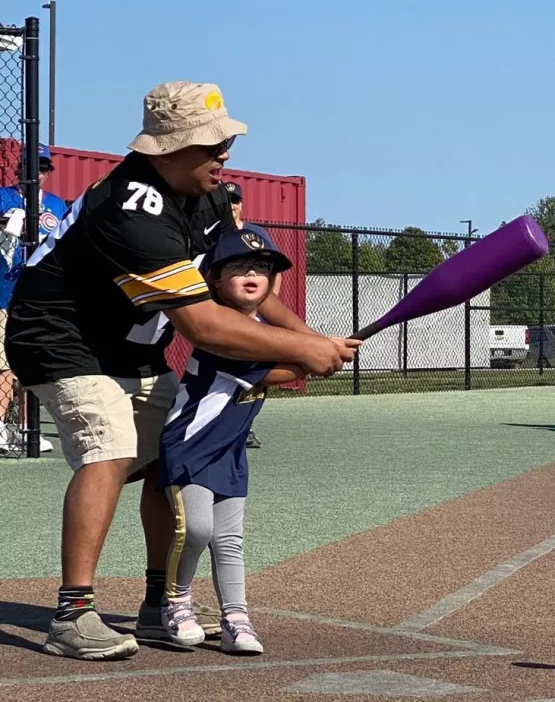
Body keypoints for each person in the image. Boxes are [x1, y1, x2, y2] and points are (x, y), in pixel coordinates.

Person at [6, 80, 358, 661]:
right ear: (165, 149)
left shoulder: (211, 197)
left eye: (225, 142)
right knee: (110, 449)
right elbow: (204, 325)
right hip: (60, 337)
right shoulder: (131, 208)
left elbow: (244, 285)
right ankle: (72, 616)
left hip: (131, 344)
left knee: (158, 464)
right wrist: (298, 355)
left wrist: (310, 338)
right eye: (210, 144)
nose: (224, 154)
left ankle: (154, 603)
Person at [159, 228, 304, 653]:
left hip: (229, 449)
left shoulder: (261, 327)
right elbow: (283, 369)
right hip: (191, 446)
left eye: (261, 267)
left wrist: (320, 349)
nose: (252, 273)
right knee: (197, 529)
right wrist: (318, 356)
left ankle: (236, 618)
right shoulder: (222, 329)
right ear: (216, 280)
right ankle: (177, 601)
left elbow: (296, 352)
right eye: (238, 266)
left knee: (229, 539)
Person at [0, 144, 66, 454]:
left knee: (33, 362)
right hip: (3, 291)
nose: (36, 173)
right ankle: (0, 425)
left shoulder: (55, 206)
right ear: (20, 169)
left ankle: (29, 426)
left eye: (42, 167)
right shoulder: (4, 197)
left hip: (40, 297)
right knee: (2, 365)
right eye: (30, 166)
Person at [225, 181, 280, 448]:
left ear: (242, 205)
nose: (231, 207)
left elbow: (274, 273)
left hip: (253, 313)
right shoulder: (215, 236)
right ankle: (230, 426)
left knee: (253, 376)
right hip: (223, 318)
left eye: (235, 201)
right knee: (237, 374)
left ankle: (245, 427)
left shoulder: (255, 233)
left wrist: (266, 305)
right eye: (226, 202)